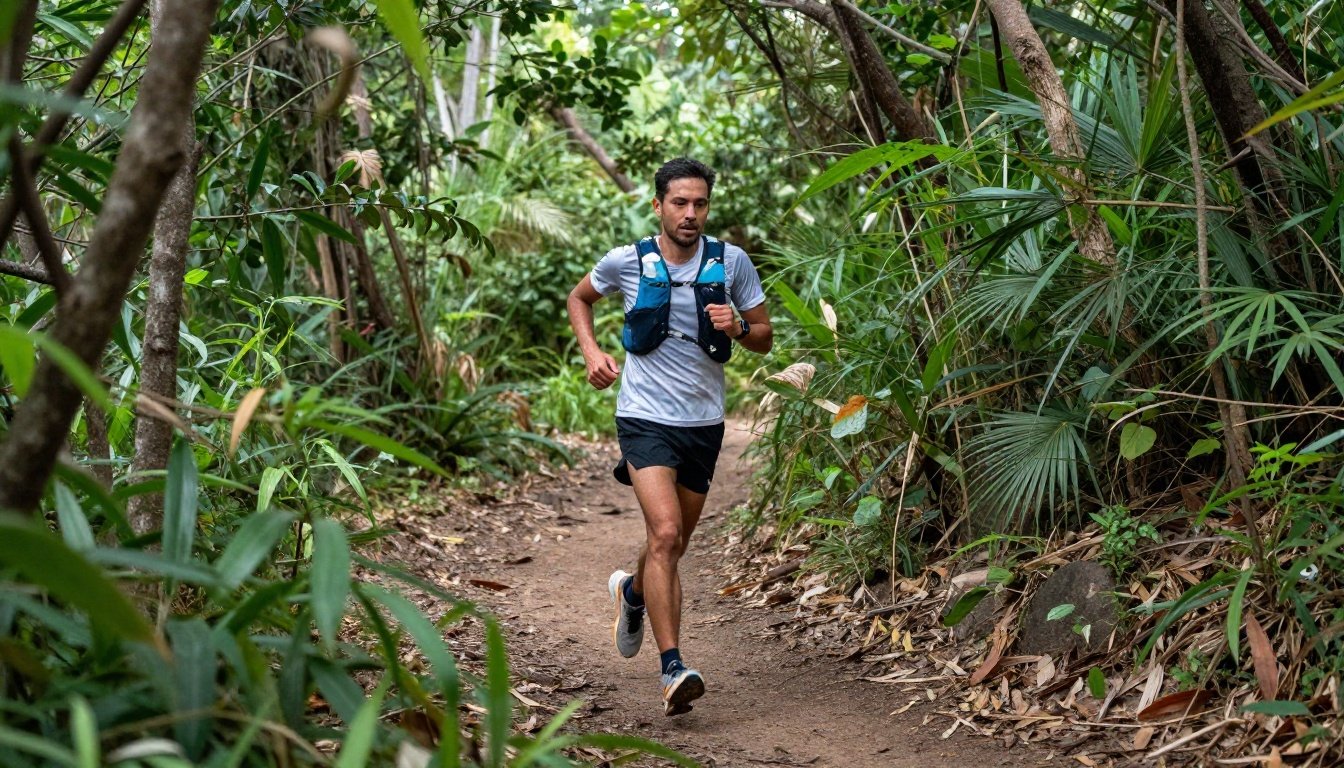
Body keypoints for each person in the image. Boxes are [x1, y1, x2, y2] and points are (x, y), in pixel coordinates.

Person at [566, 157, 773, 715]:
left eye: (699, 203)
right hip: (644, 416)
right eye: (679, 203)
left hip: (703, 422)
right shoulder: (627, 262)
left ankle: (632, 594)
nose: (689, 213)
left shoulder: (732, 262)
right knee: (663, 534)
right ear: (657, 205)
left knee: (674, 543)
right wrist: (592, 351)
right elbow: (578, 298)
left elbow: (765, 336)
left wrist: (740, 327)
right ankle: (673, 669)